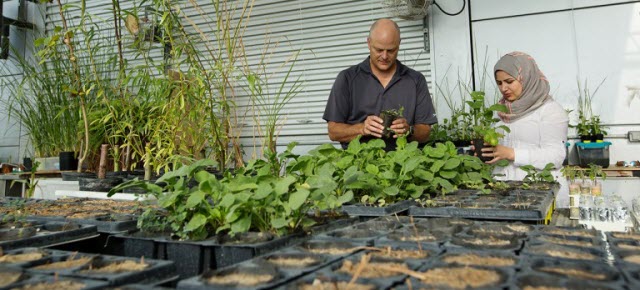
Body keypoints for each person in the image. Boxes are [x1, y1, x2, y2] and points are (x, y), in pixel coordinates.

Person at [323, 18, 437, 151]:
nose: (384, 56)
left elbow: (425, 132)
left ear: (399, 44)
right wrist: (362, 128)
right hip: (360, 164)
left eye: (391, 50)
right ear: (368, 43)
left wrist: (409, 130)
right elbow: (333, 131)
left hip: (403, 163)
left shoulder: (416, 80)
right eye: (379, 49)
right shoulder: (347, 78)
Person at [480, 51, 569, 206]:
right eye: (499, 83)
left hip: (541, 193)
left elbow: (556, 156)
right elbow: (499, 150)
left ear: (526, 77)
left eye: (509, 81)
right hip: (505, 193)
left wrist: (511, 153)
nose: (504, 88)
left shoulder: (550, 110)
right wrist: (485, 150)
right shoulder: (500, 111)